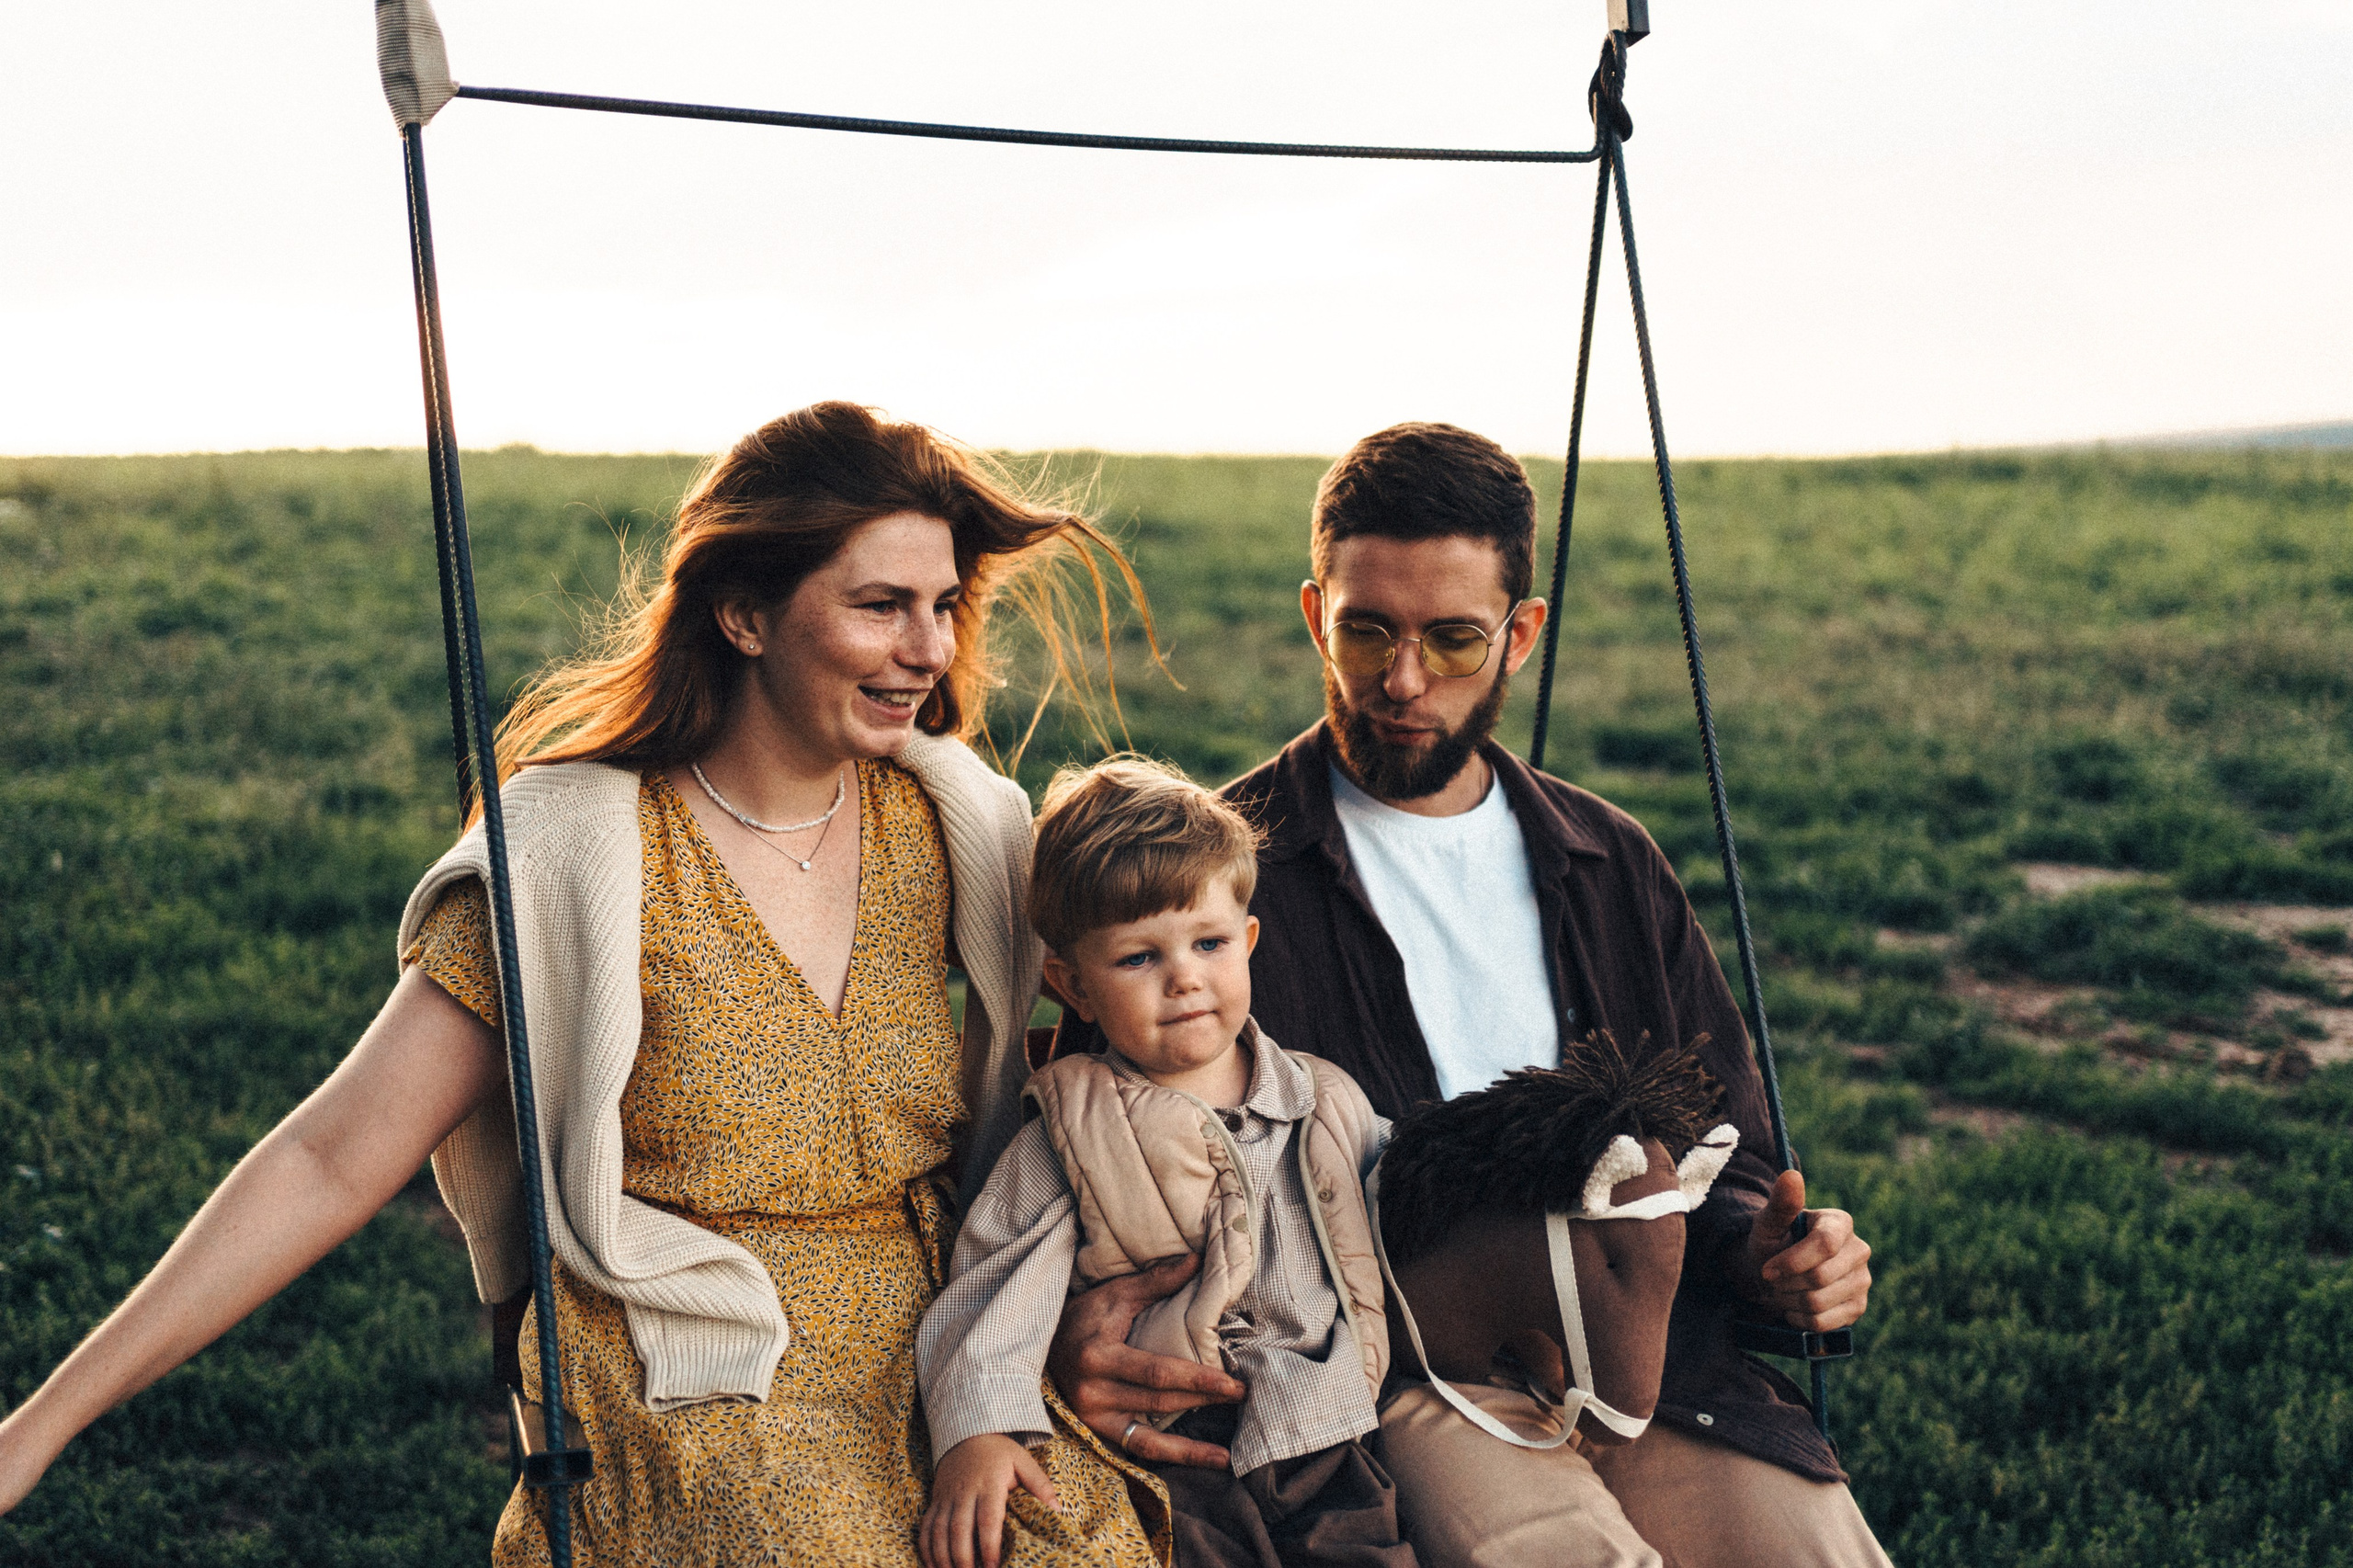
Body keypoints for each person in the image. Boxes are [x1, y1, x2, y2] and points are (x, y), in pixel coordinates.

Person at [0, 403, 1165, 1567]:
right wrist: (37, 1428)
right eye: (880, 605)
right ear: (744, 614)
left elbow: (1144, 1044)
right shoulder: (578, 857)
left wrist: (1064, 1325)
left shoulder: (960, 825)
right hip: (695, 1359)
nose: (930, 648)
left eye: (942, 604)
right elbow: (331, 1155)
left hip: (947, 1352)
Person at [1047, 423, 1887, 1568]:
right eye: (1366, 631)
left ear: (1518, 634)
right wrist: (1074, 1334)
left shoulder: (1607, 860)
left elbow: (1726, 1150)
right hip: (1397, 1372)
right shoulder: (1215, 884)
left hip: (1656, 1362)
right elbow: (1081, 1138)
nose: (1403, 680)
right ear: (1316, 615)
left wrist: (1780, 1255)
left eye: (1451, 639)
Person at [918, 758, 1412, 1568]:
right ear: (1073, 987)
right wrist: (979, 1430)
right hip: (1174, 1448)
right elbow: (994, 1288)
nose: (1184, 978)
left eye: (1209, 943)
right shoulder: (1072, 1128)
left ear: (1247, 942)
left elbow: (1408, 1195)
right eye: (1138, 959)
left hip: (1329, 1435)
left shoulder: (1323, 1099)